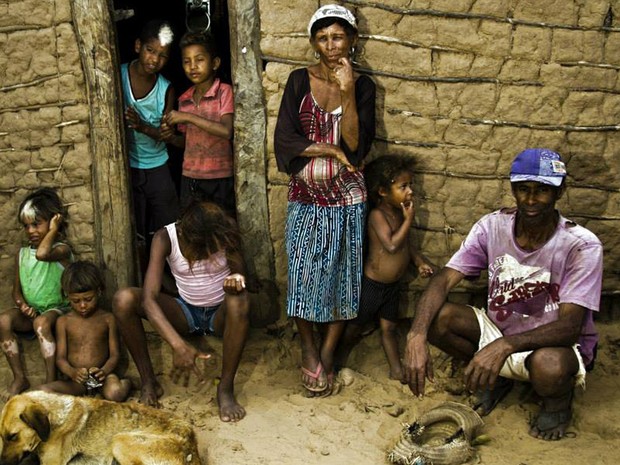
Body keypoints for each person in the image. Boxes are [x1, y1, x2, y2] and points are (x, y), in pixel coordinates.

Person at [403, 148, 603, 441]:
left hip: (551, 345)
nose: (531, 200)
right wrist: (415, 335)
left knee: (550, 367)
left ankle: (558, 405)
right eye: (523, 190)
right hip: (501, 333)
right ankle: (495, 380)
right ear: (513, 189)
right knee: (437, 319)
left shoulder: (581, 245)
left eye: (542, 191)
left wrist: (504, 346)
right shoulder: (492, 226)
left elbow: (569, 327)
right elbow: (443, 280)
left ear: (560, 192)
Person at [274, 4, 376, 396]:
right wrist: (329, 151)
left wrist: (348, 94)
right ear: (314, 43)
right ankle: (308, 346)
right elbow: (285, 140)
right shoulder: (299, 80)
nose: (330, 45)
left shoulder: (363, 87)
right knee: (301, 272)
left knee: (341, 276)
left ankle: (328, 354)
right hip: (305, 195)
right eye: (322, 38)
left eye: (337, 37)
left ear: (351, 40)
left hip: (348, 200)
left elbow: (355, 145)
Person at [113, 201, 250, 422]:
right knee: (124, 299)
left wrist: (236, 281)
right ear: (187, 235)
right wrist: (178, 345)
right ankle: (149, 381)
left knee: (239, 300)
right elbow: (149, 300)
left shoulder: (223, 229)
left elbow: (240, 274)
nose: (207, 254)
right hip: (185, 312)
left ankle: (225, 388)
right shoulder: (164, 238)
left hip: (220, 314)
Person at [335, 155, 434, 382]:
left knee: (389, 328)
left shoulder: (399, 212)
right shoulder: (377, 215)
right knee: (355, 327)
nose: (410, 191)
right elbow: (391, 244)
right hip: (373, 285)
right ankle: (337, 359)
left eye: (410, 185)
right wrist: (409, 220)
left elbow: (406, 243)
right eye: (403, 187)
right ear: (382, 191)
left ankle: (396, 369)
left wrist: (419, 262)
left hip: (392, 286)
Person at [0, 188, 72, 396]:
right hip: (32, 313)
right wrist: (22, 305)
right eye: (26, 226)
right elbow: (16, 291)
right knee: (3, 321)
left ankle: (51, 380)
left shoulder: (61, 250)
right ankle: (19, 378)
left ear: (52, 222)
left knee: (41, 324)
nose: (31, 230)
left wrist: (53, 231)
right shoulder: (22, 255)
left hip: (58, 312)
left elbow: (42, 254)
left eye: (36, 224)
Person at [38, 261, 132, 401]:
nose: (82, 305)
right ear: (67, 295)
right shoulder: (63, 322)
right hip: (77, 381)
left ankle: (128, 383)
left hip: (103, 378)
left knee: (115, 393)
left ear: (99, 291)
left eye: (88, 299)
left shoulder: (107, 319)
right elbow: (60, 359)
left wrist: (103, 371)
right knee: (43, 391)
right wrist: (72, 372)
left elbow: (114, 355)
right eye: (76, 301)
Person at [163, 32, 235, 213]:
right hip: (191, 176)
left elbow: (227, 131)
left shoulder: (224, 92)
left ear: (215, 63)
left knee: (220, 229)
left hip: (220, 177)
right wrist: (171, 138)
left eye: (199, 60)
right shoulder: (184, 100)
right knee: (192, 230)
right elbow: (186, 142)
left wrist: (187, 117)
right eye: (186, 61)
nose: (192, 67)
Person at [121, 19, 179, 244]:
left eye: (162, 55)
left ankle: (170, 276)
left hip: (157, 166)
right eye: (150, 50)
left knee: (168, 226)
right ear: (138, 46)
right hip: (127, 165)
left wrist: (141, 126)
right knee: (134, 230)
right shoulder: (118, 74)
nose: (154, 59)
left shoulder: (165, 89)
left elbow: (167, 135)